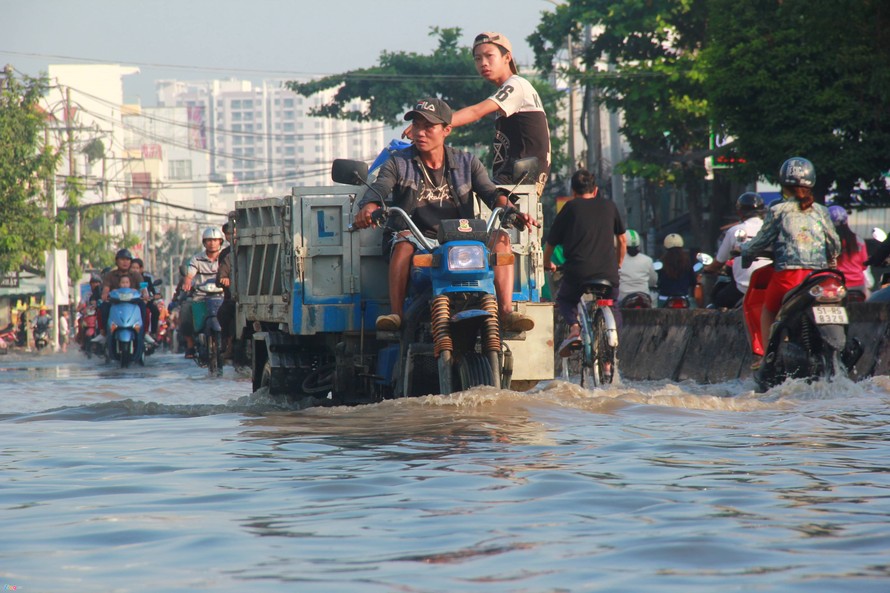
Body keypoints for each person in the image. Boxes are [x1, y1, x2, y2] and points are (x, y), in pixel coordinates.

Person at [353, 97, 539, 333]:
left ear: (446, 130)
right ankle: (396, 314)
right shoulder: (398, 163)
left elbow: (491, 194)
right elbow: (381, 187)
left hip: (462, 240)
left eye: (428, 127)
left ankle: (505, 312)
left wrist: (511, 211)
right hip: (419, 239)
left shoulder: (467, 162)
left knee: (501, 239)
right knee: (402, 243)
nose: (420, 132)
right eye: (417, 125)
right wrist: (369, 206)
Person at [405, 32, 551, 196]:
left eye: (489, 56)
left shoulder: (516, 85)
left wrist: (429, 123)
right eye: (478, 59)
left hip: (519, 179)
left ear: (507, 58)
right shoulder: (510, 90)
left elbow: (476, 111)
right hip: (515, 178)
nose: (483, 63)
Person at [741, 157, 840, 368]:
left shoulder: (778, 211)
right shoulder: (822, 211)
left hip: (788, 277)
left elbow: (760, 242)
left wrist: (746, 253)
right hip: (819, 278)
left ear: (783, 184)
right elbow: (835, 245)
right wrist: (830, 261)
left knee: (768, 310)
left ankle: (768, 356)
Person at [543, 169, 626, 357]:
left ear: (573, 192)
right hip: (608, 272)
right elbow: (622, 240)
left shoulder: (570, 208)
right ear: (595, 190)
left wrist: (547, 263)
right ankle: (609, 357)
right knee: (613, 305)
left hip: (578, 273)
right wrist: (618, 263)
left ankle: (574, 328)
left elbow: (550, 244)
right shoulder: (610, 206)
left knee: (565, 299)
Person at [702, 192, 769, 308]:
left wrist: (708, 269)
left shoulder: (734, 231)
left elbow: (719, 261)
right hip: (769, 286)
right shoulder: (770, 230)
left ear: (739, 212)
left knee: (716, 303)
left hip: (743, 288)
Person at [179, 227, 225, 358]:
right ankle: (190, 344)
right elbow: (190, 273)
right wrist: (187, 280)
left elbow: (231, 271)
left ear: (220, 242)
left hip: (221, 295)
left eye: (215, 240)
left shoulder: (225, 257)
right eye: (209, 240)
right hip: (200, 296)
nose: (212, 243)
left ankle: (230, 342)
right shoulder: (196, 259)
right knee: (186, 309)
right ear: (204, 243)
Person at [94, 249, 145, 344]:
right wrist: (105, 295)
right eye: (122, 259)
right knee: (103, 308)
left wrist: (145, 294)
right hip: (115, 304)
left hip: (133, 304)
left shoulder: (137, 275)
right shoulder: (110, 275)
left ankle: (144, 333)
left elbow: (144, 288)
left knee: (145, 308)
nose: (125, 262)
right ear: (116, 261)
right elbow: (106, 288)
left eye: (127, 259)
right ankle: (104, 332)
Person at [828, 206, 870, 299]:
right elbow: (864, 265)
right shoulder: (858, 240)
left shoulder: (827, 242)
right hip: (858, 286)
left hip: (836, 286)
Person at [656, 234, 698, 305]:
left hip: (664, 298)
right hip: (684, 298)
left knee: (658, 315)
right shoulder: (687, 262)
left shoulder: (661, 262)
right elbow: (693, 281)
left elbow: (658, 281)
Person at [618, 229, 656, 306]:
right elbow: (653, 280)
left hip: (623, 298)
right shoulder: (647, 260)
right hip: (644, 298)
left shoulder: (618, 259)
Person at [216, 221, 236, 359]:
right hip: (232, 297)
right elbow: (222, 274)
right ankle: (226, 343)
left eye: (233, 233)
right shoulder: (226, 255)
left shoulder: (254, 248)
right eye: (228, 234)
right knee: (223, 313)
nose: (232, 236)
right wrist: (224, 279)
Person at [129, 258, 159, 345]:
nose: (134, 270)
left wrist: (154, 296)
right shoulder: (126, 277)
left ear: (141, 269)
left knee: (153, 311)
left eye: (137, 268)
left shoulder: (147, 279)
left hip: (143, 301)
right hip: (129, 302)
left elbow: (153, 291)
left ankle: (151, 333)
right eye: (132, 268)